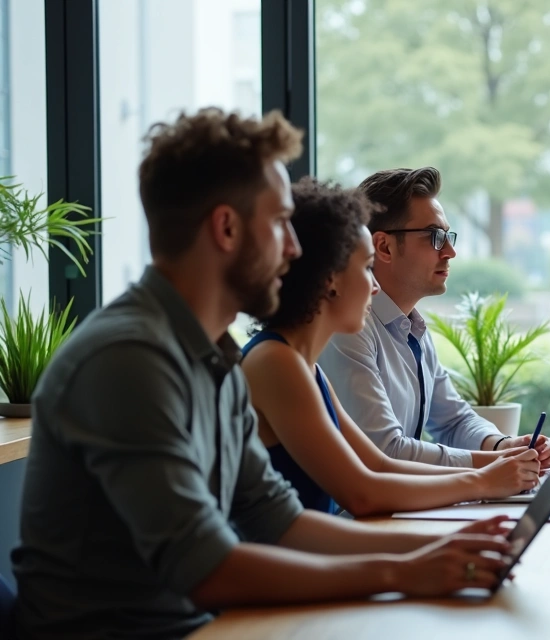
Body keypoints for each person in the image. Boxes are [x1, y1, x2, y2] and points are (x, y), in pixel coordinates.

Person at [11, 109, 513, 639]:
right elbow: (206, 567)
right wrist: (403, 571)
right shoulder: (127, 361)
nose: (294, 249)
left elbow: (279, 520)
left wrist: (451, 546)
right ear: (226, 228)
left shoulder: (217, 359)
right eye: (279, 223)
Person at [240, 178, 541, 517]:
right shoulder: (276, 362)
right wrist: (483, 480)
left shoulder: (308, 368)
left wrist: (497, 465)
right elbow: (364, 490)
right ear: (331, 278)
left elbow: (379, 466)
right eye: (366, 268)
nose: (374, 286)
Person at [318, 167, 550, 469]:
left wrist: (504, 445)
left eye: (447, 236)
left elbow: (453, 420)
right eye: (434, 236)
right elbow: (383, 451)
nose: (450, 251)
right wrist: (493, 465)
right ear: (384, 247)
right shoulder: (348, 330)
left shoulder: (412, 328)